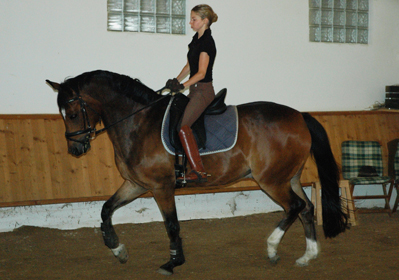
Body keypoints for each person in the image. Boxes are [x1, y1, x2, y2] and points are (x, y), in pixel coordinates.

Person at [165, 4, 218, 183]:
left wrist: (183, 86)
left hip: (203, 91)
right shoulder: (196, 40)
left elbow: (201, 73)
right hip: (194, 90)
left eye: (194, 19)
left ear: (205, 21)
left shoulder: (207, 43)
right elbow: (189, 66)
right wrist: (177, 81)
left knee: (183, 126)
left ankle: (198, 169)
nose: (190, 22)